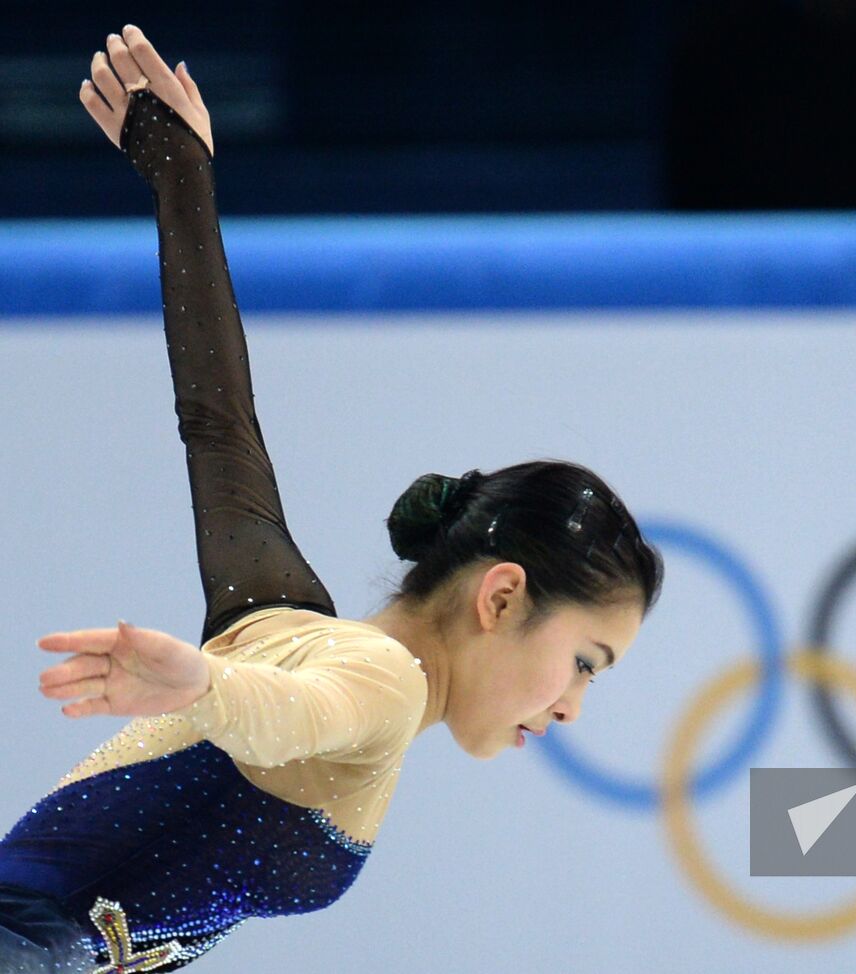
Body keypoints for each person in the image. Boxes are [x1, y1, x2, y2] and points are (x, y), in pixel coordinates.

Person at [0, 24, 663, 972]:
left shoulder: (283, 612)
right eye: (586, 662)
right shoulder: (384, 681)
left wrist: (182, 179)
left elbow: (218, 423)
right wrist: (211, 688)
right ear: (503, 596)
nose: (574, 708)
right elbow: (297, 710)